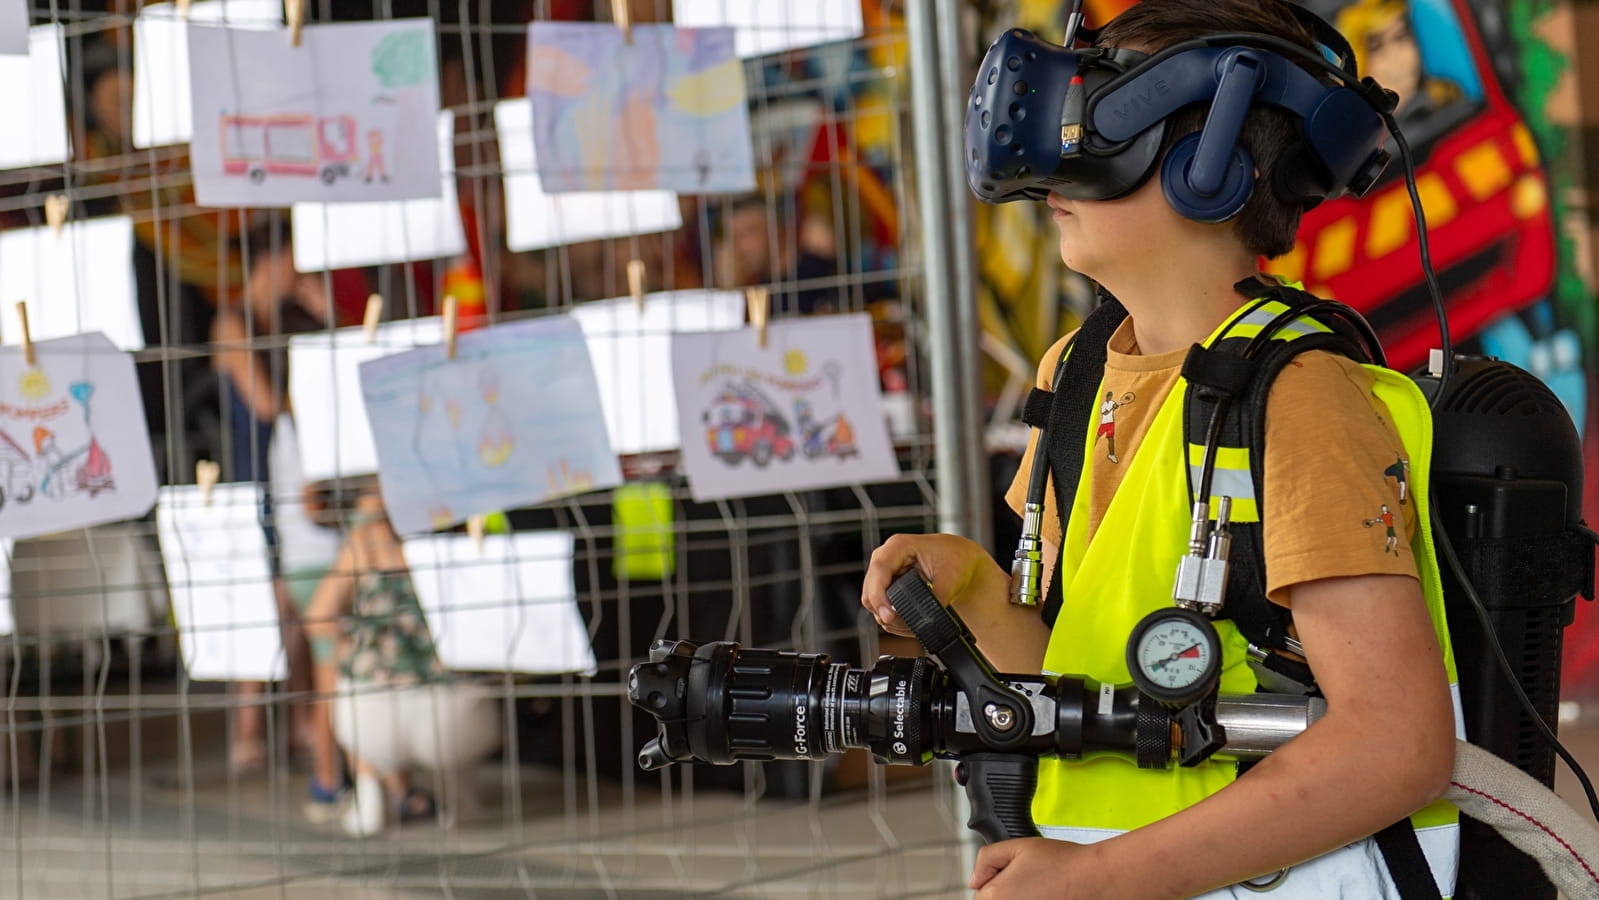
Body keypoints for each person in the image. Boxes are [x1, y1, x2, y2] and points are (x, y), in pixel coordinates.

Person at [860, 2, 1457, 898]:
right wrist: (978, 589)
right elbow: (1075, 681)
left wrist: (1101, 877)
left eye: (1097, 129)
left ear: (1206, 165)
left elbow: (1394, 743)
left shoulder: (1296, 399)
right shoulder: (1079, 371)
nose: (1051, 166)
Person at [302, 480, 501, 837]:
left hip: (374, 717)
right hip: (452, 714)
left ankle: (369, 794)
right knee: (464, 679)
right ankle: (460, 798)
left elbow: (319, 618)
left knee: (352, 677)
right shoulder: (461, 534)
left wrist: (354, 647)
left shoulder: (365, 542)